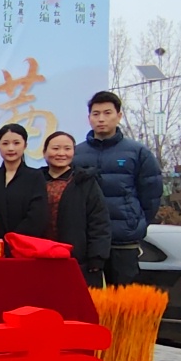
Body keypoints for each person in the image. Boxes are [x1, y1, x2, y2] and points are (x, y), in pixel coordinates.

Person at [73, 90, 162, 286]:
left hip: (123, 240)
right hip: (87, 242)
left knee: (123, 297)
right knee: (88, 297)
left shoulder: (138, 152)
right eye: (96, 114)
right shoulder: (76, 153)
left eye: (107, 113)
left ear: (119, 116)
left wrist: (135, 223)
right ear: (89, 118)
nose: (101, 119)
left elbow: (152, 196)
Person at [42, 130, 112, 287]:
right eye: (55, 148)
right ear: (44, 152)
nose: (61, 153)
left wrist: (97, 257)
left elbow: (99, 222)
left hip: (78, 260)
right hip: (41, 257)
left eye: (67, 148)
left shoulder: (85, 182)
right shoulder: (35, 180)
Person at [0, 123, 49, 239]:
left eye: (16, 143)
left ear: (25, 145)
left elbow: (37, 216)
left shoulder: (35, 177)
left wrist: (13, 240)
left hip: (23, 243)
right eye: (5, 143)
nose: (11, 148)